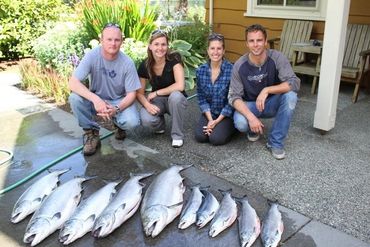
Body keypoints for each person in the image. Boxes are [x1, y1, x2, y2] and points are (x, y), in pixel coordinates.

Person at [228, 24, 300, 159]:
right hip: (251, 105)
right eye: (251, 41)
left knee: (291, 97)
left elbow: (294, 82)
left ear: (266, 42)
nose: (256, 45)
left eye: (259, 40)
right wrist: (251, 117)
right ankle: (253, 128)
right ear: (247, 44)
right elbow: (233, 97)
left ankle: (275, 142)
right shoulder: (239, 65)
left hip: (271, 103)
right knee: (241, 123)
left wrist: (267, 90)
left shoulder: (277, 58)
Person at [68, 23, 141, 156]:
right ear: (101, 40)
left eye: (117, 40)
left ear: (122, 42)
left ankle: (118, 125)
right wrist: (95, 99)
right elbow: (73, 83)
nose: (113, 43)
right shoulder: (92, 56)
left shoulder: (127, 63)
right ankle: (92, 134)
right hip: (96, 98)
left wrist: (116, 109)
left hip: (117, 100)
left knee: (132, 122)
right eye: (109, 39)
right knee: (74, 98)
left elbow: (132, 94)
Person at [137, 30, 188, 148]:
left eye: (163, 44)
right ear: (150, 46)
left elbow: (180, 86)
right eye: (156, 44)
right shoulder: (145, 65)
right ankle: (160, 126)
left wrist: (156, 92)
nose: (160, 48)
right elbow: (139, 93)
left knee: (175, 96)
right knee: (145, 118)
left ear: (167, 46)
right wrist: (147, 105)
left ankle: (177, 135)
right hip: (158, 102)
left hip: (175, 101)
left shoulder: (174, 60)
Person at [195, 33, 236, 145]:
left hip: (226, 114)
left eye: (219, 48)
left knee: (215, 139)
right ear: (208, 51)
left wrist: (217, 121)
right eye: (212, 48)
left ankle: (233, 128)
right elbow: (201, 98)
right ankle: (215, 126)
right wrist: (210, 120)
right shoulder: (200, 71)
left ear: (223, 51)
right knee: (200, 137)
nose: (215, 52)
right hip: (210, 113)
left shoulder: (232, 70)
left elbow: (232, 100)